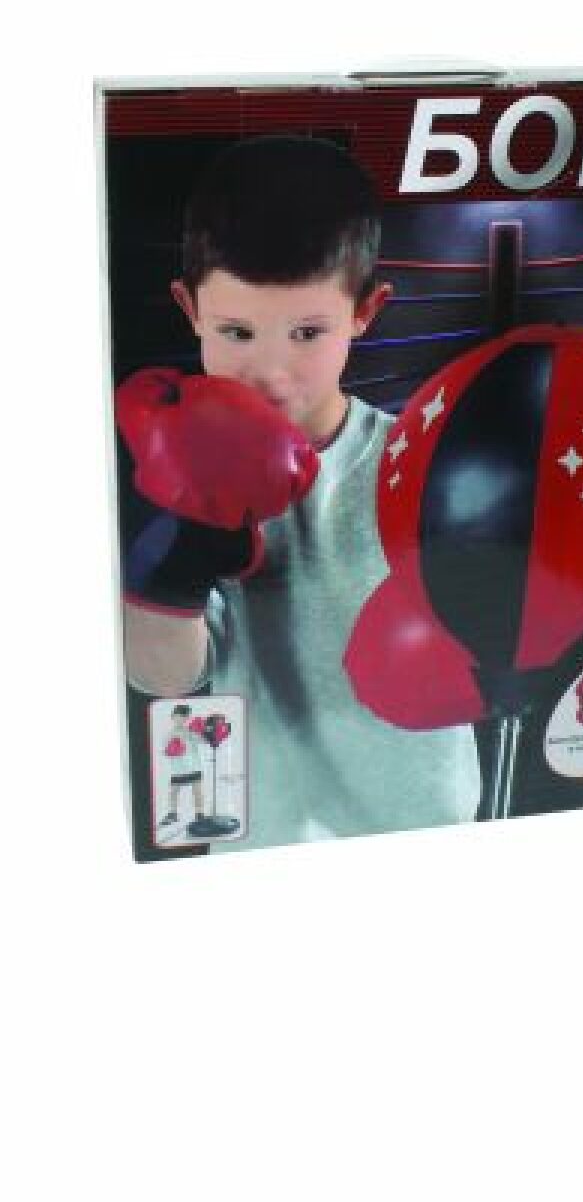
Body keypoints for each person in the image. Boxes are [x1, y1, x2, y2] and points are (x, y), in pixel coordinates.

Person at [119, 136, 479, 849]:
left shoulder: (421, 464)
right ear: (190, 309)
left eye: (308, 332)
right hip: (263, 839)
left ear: (366, 311)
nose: (271, 373)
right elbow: (162, 678)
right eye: (237, 331)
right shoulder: (170, 465)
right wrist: (171, 565)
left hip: (425, 830)